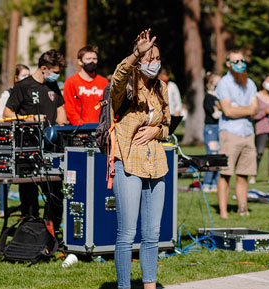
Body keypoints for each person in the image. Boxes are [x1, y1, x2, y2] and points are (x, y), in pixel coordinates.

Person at [109, 28, 171, 289]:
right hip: (128, 161)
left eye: (156, 57)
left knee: (153, 234)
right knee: (127, 234)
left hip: (157, 163)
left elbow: (168, 125)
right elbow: (117, 78)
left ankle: (149, 285)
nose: (153, 62)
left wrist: (158, 129)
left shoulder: (162, 88)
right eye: (148, 57)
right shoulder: (126, 88)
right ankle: (124, 286)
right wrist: (136, 53)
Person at [3, 49, 67, 228]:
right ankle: (30, 231)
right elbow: (7, 113)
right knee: (29, 195)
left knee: (55, 194)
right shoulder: (23, 86)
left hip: (52, 148)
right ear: (44, 68)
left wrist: (61, 124)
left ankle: (51, 234)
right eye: (55, 72)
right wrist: (29, 119)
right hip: (28, 148)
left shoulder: (52, 86)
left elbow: (60, 107)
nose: (57, 75)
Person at [216, 48, 259, 218]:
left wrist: (238, 108)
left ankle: (243, 208)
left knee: (244, 174)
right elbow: (228, 111)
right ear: (228, 64)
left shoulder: (250, 83)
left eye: (242, 61)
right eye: (236, 61)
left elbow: (255, 109)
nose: (240, 64)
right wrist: (246, 109)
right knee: (225, 173)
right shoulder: (223, 84)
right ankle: (224, 211)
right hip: (230, 132)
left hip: (248, 132)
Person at [0, 64, 31, 218]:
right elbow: (0, 116)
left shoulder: (30, 94)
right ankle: (3, 208)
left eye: (28, 75)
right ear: (16, 78)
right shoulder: (7, 94)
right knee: (6, 173)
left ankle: (26, 209)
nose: (26, 79)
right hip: (9, 139)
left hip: (25, 140)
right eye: (23, 75)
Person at [63, 45, 109, 125]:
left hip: (101, 128)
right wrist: (82, 125)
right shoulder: (71, 82)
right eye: (88, 59)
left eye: (94, 59)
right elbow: (69, 108)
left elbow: (108, 105)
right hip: (79, 129)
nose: (92, 61)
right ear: (80, 61)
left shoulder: (104, 82)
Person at [252, 75, 269, 185]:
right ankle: (253, 176)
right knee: (259, 152)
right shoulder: (256, 96)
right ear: (263, 83)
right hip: (262, 127)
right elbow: (253, 114)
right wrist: (264, 112)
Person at [202, 73, 222, 192]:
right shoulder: (209, 97)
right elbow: (214, 114)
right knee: (212, 154)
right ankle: (207, 182)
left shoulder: (219, 97)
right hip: (211, 128)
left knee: (219, 157)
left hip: (220, 127)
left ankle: (215, 183)